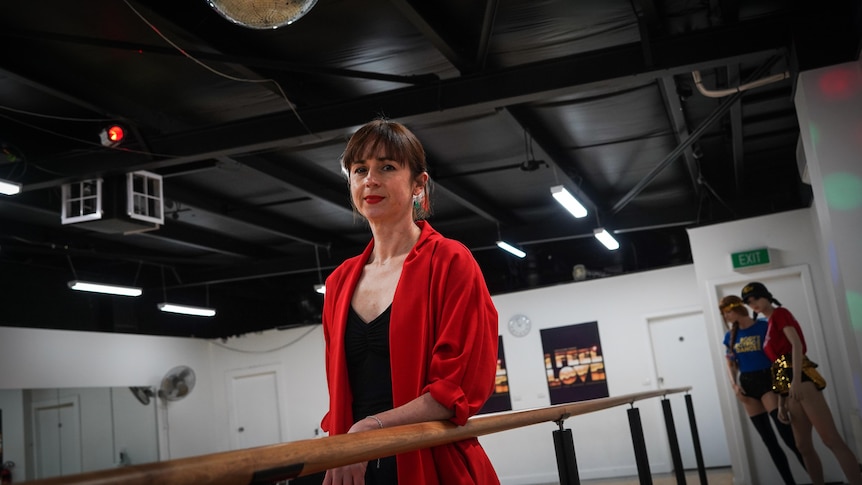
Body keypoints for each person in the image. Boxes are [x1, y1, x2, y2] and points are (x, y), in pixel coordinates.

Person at [320, 118, 500, 485]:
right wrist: (343, 446)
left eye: (387, 166)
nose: (370, 179)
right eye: (359, 170)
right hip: (358, 464)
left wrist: (369, 429)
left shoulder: (450, 262)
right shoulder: (339, 282)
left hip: (431, 462)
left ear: (419, 183)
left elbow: (452, 392)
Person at [742, 282, 862, 485]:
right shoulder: (769, 323)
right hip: (787, 384)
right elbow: (777, 364)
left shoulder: (780, 314)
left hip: (801, 380)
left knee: (830, 439)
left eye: (756, 298)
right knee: (803, 446)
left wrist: (796, 380)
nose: (753, 304)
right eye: (749, 302)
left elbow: (796, 345)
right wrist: (781, 400)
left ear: (766, 296)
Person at [719, 295, 803, 485]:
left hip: (768, 379)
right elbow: (730, 363)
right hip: (747, 384)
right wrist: (734, 384)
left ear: (738, 309)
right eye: (724, 314)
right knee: (769, 441)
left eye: (728, 312)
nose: (727, 317)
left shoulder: (764, 326)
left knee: (788, 437)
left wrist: (786, 380)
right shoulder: (730, 336)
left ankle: (815, 477)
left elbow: (779, 353)